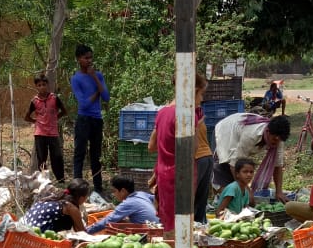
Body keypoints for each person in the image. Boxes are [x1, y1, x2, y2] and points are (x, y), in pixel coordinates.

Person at [147, 73, 212, 231]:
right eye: (201, 94)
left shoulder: (162, 113)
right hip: (181, 176)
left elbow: (151, 146)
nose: (201, 99)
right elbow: (193, 149)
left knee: (168, 223)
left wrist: (168, 147)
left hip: (164, 174)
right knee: (181, 225)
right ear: (194, 90)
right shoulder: (187, 116)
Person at [213, 113, 292, 200]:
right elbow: (234, 165)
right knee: (222, 175)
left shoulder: (278, 139)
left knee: (238, 187)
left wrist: (279, 192)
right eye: (274, 139)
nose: (276, 142)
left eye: (279, 140)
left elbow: (277, 165)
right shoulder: (250, 136)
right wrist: (247, 191)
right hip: (224, 131)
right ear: (268, 132)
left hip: (238, 133)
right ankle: (220, 202)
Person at [70, 44, 109, 194]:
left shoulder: (98, 75)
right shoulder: (76, 79)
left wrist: (95, 78)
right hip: (84, 119)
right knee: (79, 152)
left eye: (90, 57)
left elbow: (106, 97)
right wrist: (97, 93)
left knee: (96, 155)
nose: (89, 60)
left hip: (97, 120)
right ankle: (77, 186)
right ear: (79, 59)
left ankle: (98, 188)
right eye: (86, 58)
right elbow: (84, 104)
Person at [24, 72, 68, 181]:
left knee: (57, 157)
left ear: (47, 85)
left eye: (44, 84)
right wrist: (36, 121)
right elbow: (26, 116)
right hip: (40, 133)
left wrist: (55, 118)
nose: (42, 87)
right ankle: (44, 180)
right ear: (36, 87)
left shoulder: (54, 98)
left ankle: (60, 179)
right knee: (42, 158)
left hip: (53, 133)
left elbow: (64, 111)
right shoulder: (34, 101)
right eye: (39, 85)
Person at [85, 175, 158, 234]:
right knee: (122, 219)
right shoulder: (141, 194)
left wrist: (86, 232)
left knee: (117, 221)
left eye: (114, 191)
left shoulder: (128, 203)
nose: (113, 194)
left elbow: (108, 220)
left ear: (123, 191)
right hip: (158, 225)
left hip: (149, 232)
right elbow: (156, 198)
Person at [20, 178, 91, 233]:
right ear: (82, 198)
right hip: (34, 232)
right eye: (86, 196)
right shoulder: (70, 207)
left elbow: (77, 228)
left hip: (23, 225)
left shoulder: (59, 196)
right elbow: (82, 232)